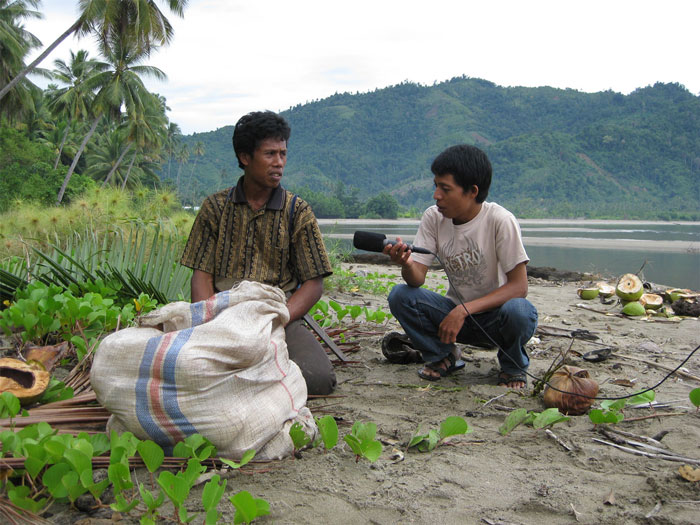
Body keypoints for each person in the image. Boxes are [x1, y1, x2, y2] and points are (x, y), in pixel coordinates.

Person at [180, 110, 336, 395]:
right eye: (270, 154)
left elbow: (314, 284)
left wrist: (278, 317)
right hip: (223, 314)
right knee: (186, 366)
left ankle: (249, 378)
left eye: (283, 154)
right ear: (245, 157)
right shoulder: (215, 208)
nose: (279, 163)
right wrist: (209, 321)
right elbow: (201, 276)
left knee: (319, 379)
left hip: (277, 315)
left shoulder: (297, 211)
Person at [384, 144, 537, 389]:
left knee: (519, 311)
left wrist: (463, 310)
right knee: (400, 296)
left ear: (472, 191)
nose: (436, 195)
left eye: (445, 189)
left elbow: (519, 287)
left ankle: (512, 365)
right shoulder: (434, 217)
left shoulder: (500, 220)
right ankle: (444, 355)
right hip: (455, 321)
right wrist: (406, 264)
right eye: (435, 186)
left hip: (497, 319)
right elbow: (417, 280)